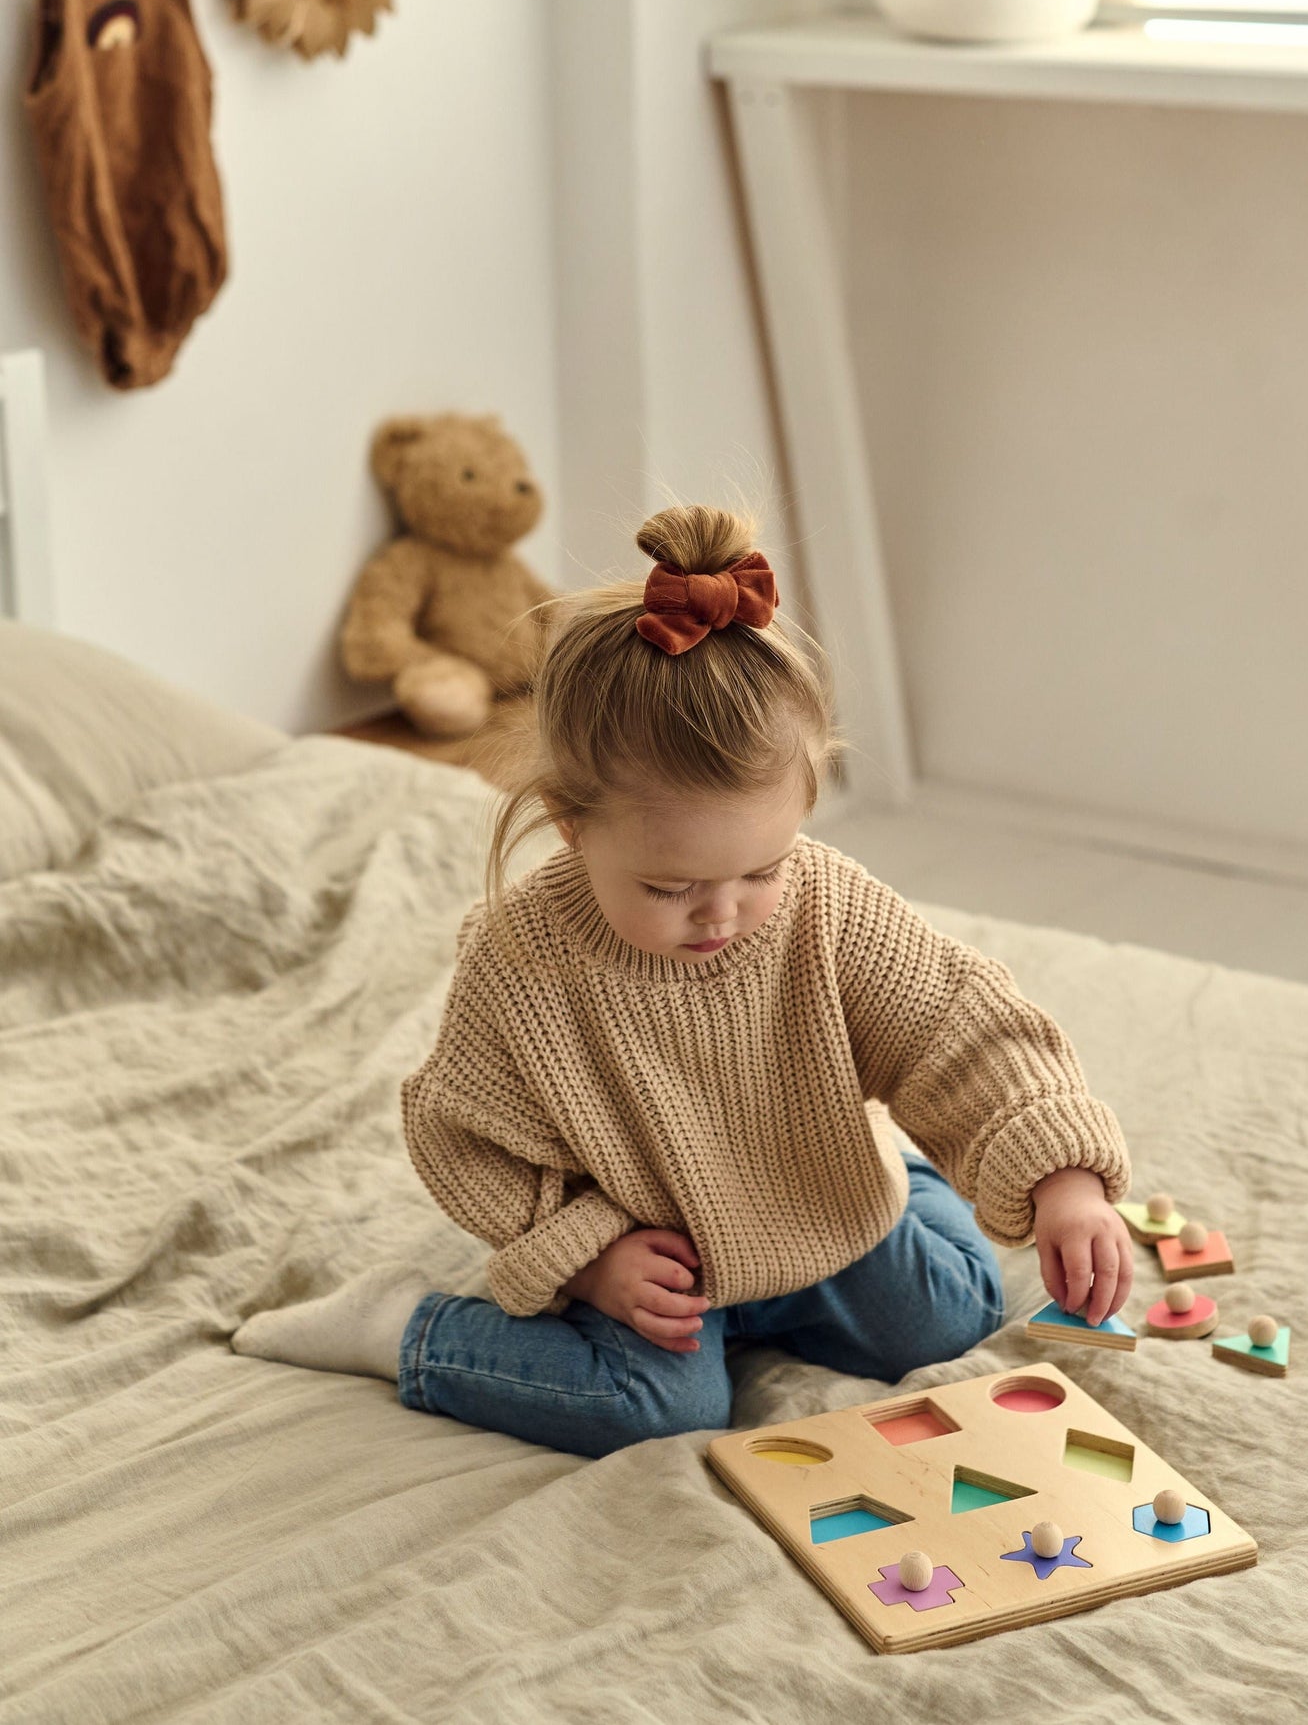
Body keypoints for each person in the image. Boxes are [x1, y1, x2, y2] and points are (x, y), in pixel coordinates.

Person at [232, 505, 1134, 1457]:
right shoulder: (521, 958)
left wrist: (1060, 1180)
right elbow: (465, 1137)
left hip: (816, 1197)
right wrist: (589, 1260)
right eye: (670, 888)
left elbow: (958, 1029)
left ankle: (898, 1169)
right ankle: (405, 1329)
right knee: (654, 1412)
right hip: (656, 1254)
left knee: (955, 1312)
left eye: (760, 871)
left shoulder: (828, 905)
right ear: (571, 824)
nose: (721, 915)